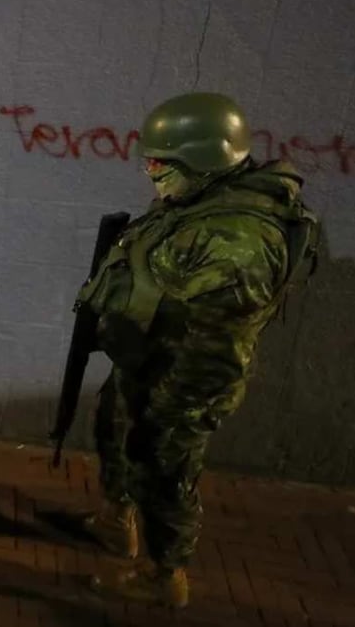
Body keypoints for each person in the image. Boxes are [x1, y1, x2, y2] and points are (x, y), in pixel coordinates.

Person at [76, 92, 320, 608]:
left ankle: (163, 575)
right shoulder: (198, 199)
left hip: (182, 380)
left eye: (160, 164)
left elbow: (216, 354)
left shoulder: (238, 243)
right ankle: (117, 520)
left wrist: (170, 411)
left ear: (204, 160)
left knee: (165, 469)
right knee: (115, 431)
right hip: (147, 357)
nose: (150, 173)